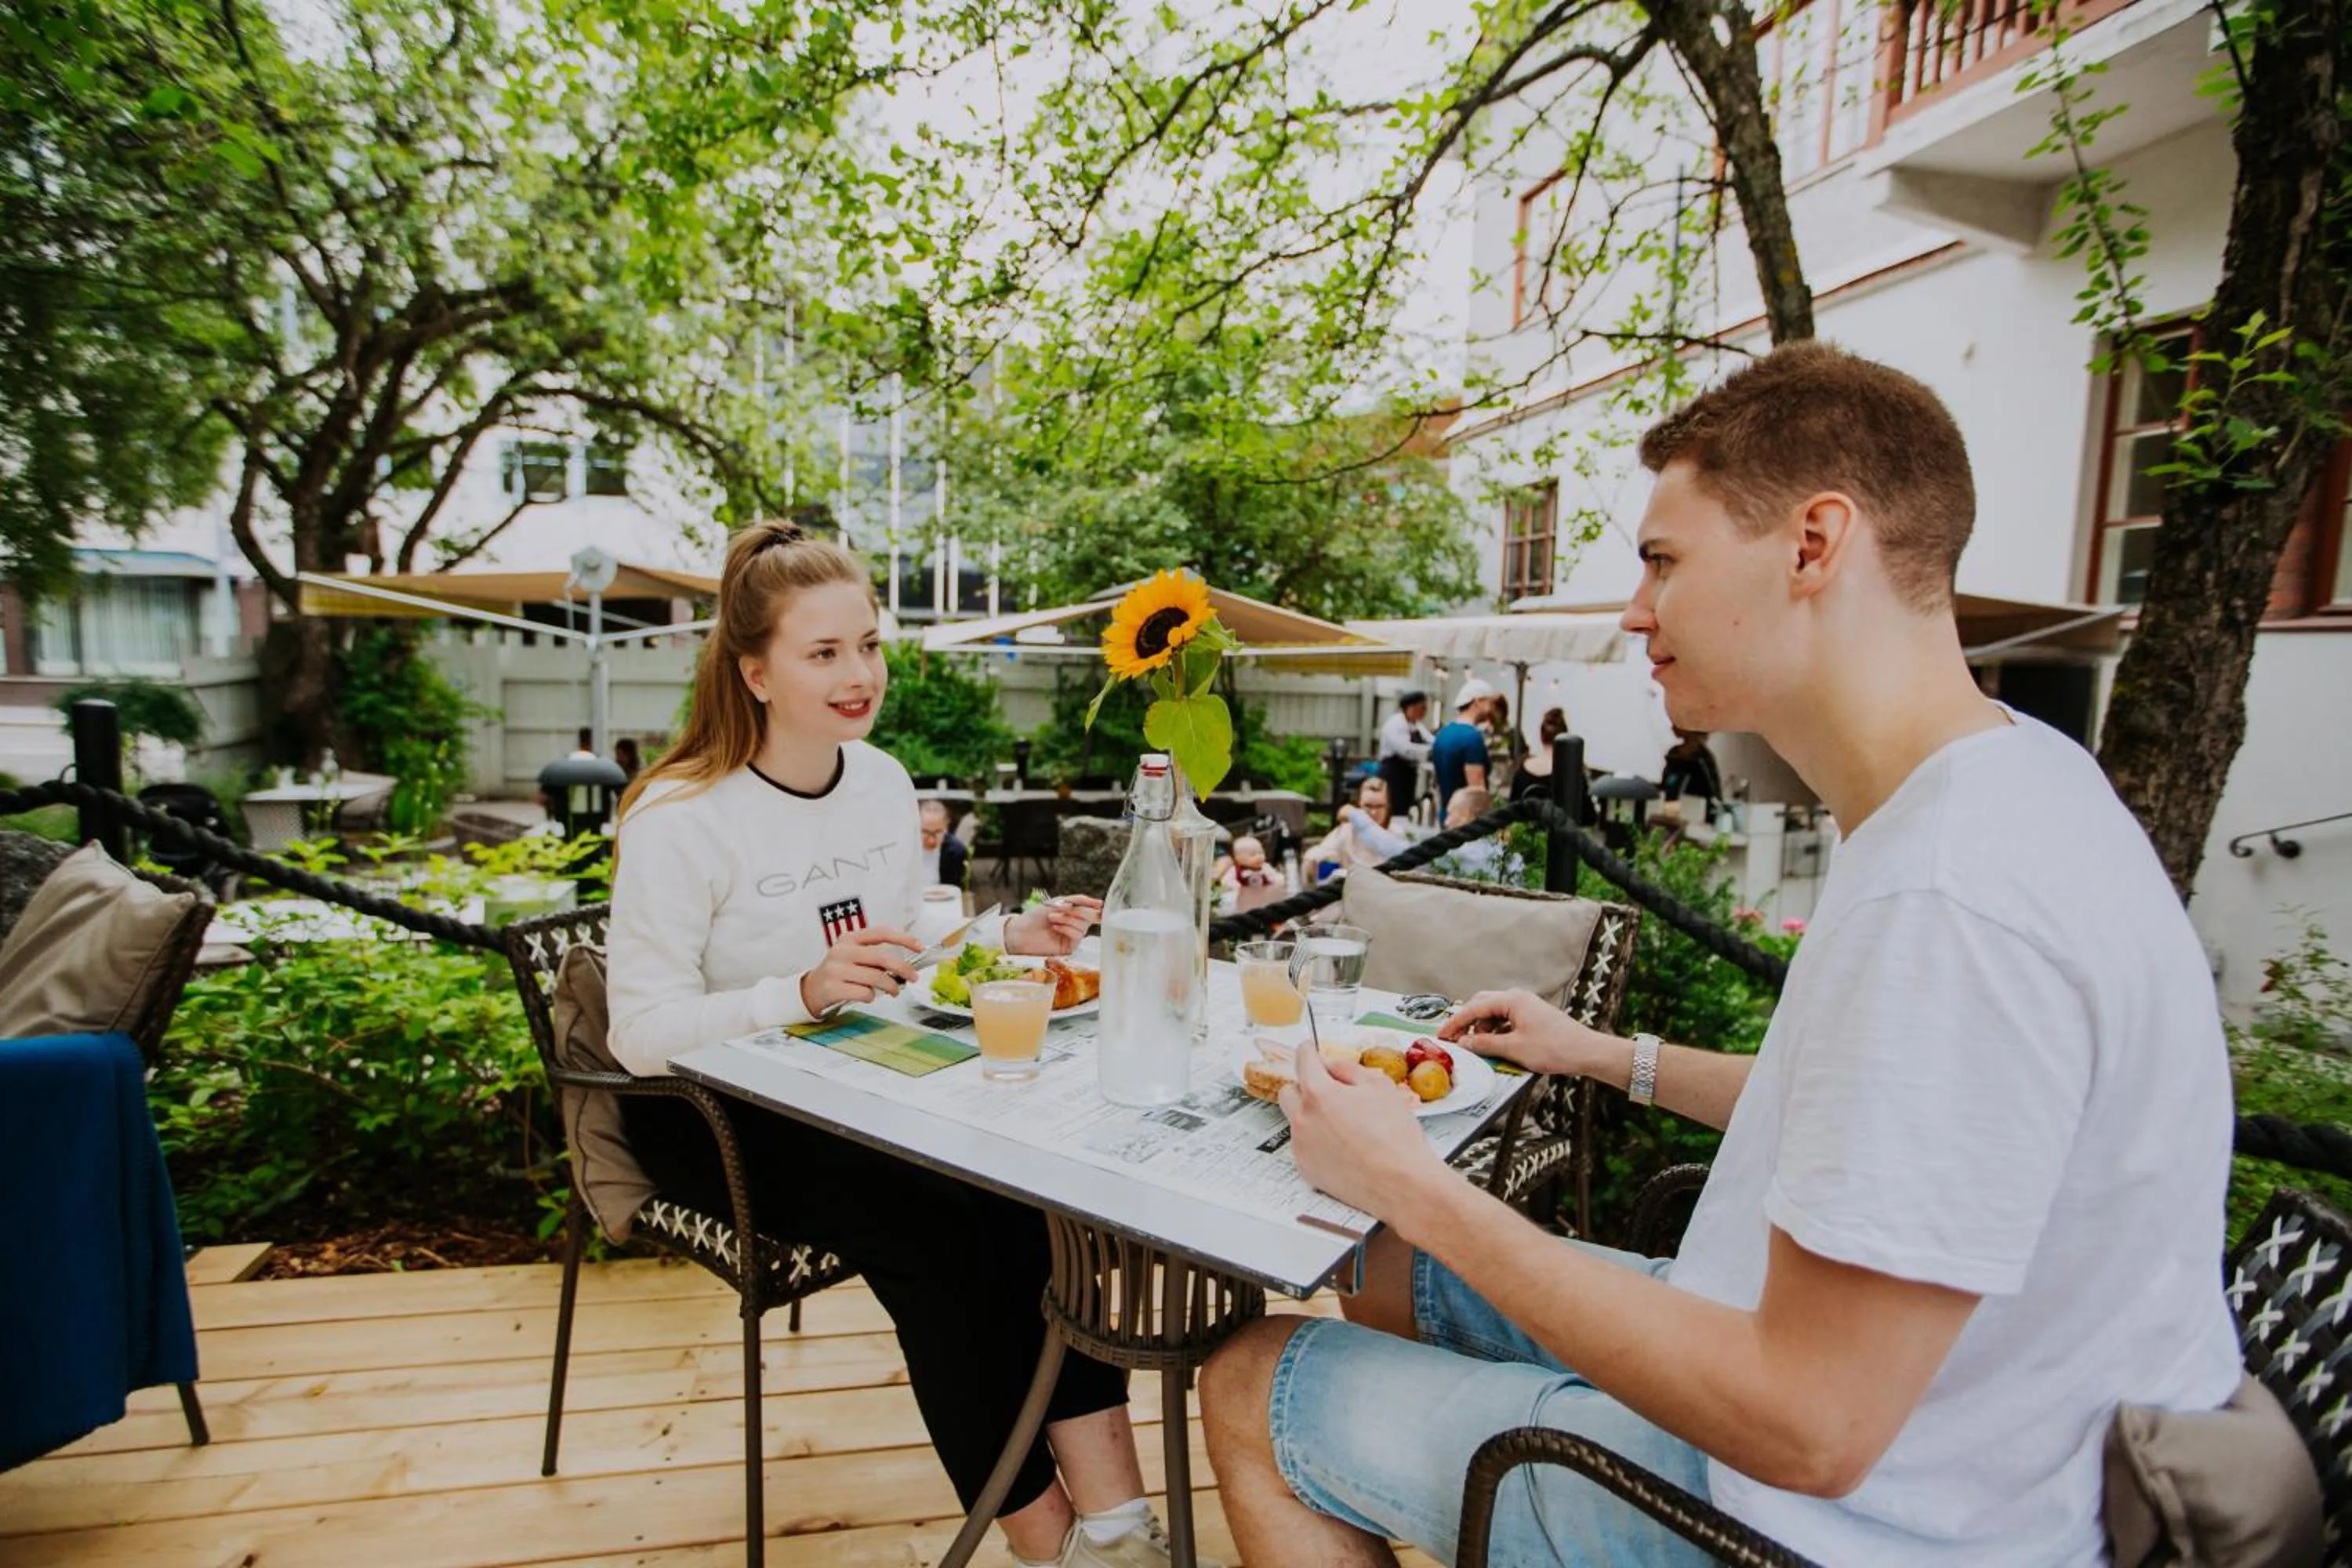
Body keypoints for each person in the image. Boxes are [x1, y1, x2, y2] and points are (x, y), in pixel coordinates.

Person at [1198, 343, 2240, 1566]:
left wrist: (1414, 1183)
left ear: (1813, 545)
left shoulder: (1952, 899)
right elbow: (1893, 1127)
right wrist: (1601, 1056)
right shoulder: (2006, 783)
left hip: (1844, 1525)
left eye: (1662, 562)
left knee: (1251, 1374)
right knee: (1379, 1266)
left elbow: (1810, 1427)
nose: (1637, 610)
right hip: (1938, 1436)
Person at [605, 520, 1200, 1568]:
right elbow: (638, 1034)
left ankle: (1121, 1524)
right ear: (754, 671)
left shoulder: (878, 780)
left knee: (1033, 1203)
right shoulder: (680, 814)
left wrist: (1003, 936)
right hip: (712, 1116)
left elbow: (898, 940)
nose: (858, 673)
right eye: (823, 652)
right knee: (932, 1241)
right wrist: (791, 993)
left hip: (858, 1080)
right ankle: (1048, 1538)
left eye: (868, 645)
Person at [1342, 785, 1514, 884]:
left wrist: (1354, 814)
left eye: (1450, 813)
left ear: (1467, 816)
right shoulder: (1505, 853)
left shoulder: (1466, 853)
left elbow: (1397, 850)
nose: (1446, 822)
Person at [1428, 679, 1500, 818]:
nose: (1492, 708)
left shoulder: (1443, 733)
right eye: (1490, 702)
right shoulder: (1472, 738)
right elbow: (1477, 791)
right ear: (1477, 702)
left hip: (1446, 814)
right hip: (1465, 820)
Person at [1307, 776, 1399, 880]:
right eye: (1368, 806)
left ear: (1388, 807)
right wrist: (1313, 860)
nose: (1374, 813)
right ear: (1359, 805)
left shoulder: (1398, 834)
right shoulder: (1347, 831)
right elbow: (1321, 853)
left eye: (1379, 806)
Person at [1377, 692, 1432, 818]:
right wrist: (1429, 752)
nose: (1425, 711)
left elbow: (1431, 741)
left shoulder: (1417, 726)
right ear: (1411, 707)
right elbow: (1405, 750)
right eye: (1422, 708)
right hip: (1393, 773)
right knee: (1393, 808)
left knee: (1404, 808)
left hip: (1408, 774)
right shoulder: (1395, 723)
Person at [1509, 707, 1572, 803]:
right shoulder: (1571, 775)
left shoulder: (1521, 772)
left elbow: (1512, 809)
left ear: (1541, 736)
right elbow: (1588, 814)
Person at [1660, 728, 1725, 803]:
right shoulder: (1673, 752)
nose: (1672, 727)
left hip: (1696, 808)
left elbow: (1713, 795)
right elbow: (1666, 784)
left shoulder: (1704, 758)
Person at [918, 797, 968, 888]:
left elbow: (954, 889)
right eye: (925, 832)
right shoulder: (902, 848)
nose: (931, 840)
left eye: (937, 832)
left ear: (946, 827)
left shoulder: (956, 852)